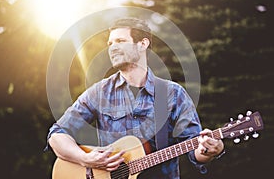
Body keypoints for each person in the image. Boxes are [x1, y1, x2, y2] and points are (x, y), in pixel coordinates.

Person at [45, 17, 225, 179]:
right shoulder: (99, 93)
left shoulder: (173, 94)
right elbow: (57, 135)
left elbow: (195, 150)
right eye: (110, 43)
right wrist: (85, 159)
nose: (113, 47)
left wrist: (208, 150)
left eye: (120, 41)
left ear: (143, 44)